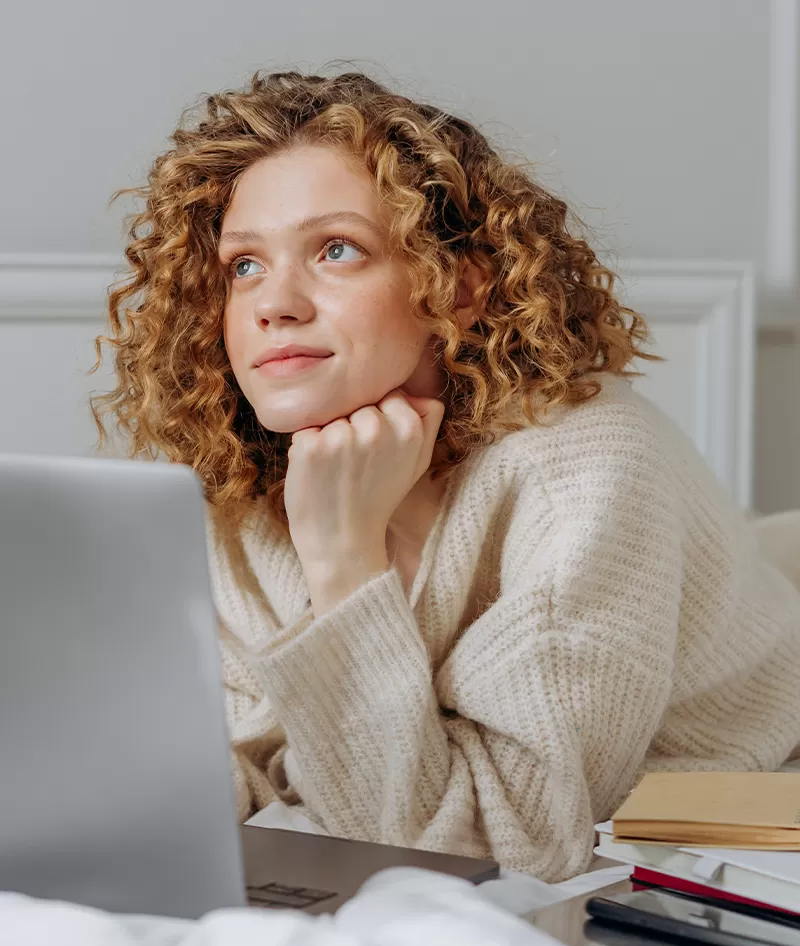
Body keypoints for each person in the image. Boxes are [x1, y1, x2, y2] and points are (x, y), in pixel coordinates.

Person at [91, 70, 800, 882]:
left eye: (336, 250)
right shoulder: (240, 486)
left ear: (458, 289)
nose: (272, 303)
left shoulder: (584, 473)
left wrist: (344, 558)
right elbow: (247, 754)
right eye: (244, 264)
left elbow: (501, 847)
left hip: (719, 814)